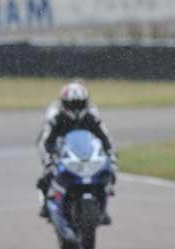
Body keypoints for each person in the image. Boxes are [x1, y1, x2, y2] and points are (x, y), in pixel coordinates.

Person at [37, 80, 117, 223]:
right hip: (64, 157)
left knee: (109, 173)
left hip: (86, 157)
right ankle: (46, 204)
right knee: (46, 176)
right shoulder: (57, 119)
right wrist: (48, 159)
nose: (75, 108)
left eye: (79, 104)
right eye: (72, 104)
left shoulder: (91, 118)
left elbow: (106, 138)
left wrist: (111, 155)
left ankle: (102, 207)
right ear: (64, 103)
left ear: (85, 103)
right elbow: (45, 141)